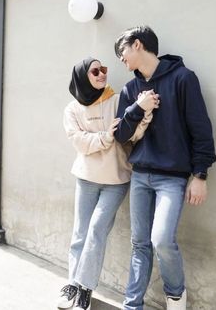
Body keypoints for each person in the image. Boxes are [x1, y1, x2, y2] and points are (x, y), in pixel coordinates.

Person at [114, 26, 216, 310]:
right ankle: (132, 305)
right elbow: (121, 135)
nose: (120, 59)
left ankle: (175, 296)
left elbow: (201, 131)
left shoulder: (183, 78)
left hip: (172, 178)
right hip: (140, 176)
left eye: (122, 52)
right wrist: (137, 107)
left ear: (137, 45)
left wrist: (200, 175)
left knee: (160, 240)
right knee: (139, 243)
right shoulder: (130, 88)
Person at [57, 57, 157, 310]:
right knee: (80, 233)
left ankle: (84, 289)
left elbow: (131, 135)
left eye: (104, 69)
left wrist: (142, 117)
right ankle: (72, 286)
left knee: (96, 231)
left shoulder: (117, 99)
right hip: (86, 178)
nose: (102, 74)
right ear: (83, 76)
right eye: (95, 71)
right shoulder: (73, 109)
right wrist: (105, 136)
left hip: (116, 179)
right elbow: (80, 143)